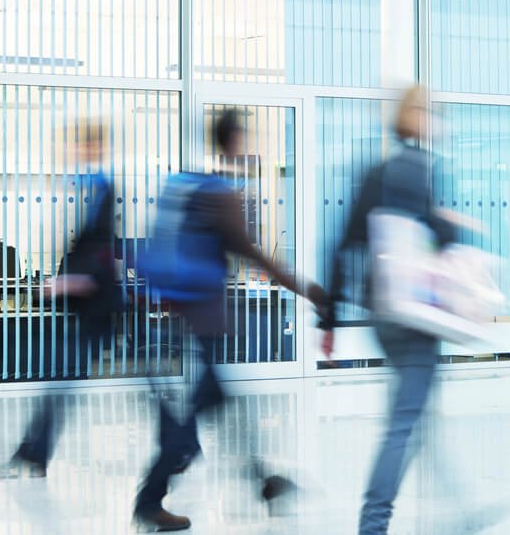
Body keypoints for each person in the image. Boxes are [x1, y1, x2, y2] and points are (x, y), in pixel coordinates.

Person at [132, 109, 332, 532]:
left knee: (220, 405)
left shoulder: (196, 189)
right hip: (203, 319)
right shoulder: (221, 195)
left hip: (187, 314)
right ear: (234, 141)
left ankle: (264, 481)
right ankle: (150, 499)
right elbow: (251, 252)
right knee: (192, 422)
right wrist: (309, 290)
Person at [326, 85, 456, 535]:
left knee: (415, 413)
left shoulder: (376, 170)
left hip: (382, 310)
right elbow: (429, 236)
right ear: (418, 118)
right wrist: (449, 226)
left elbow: (342, 244)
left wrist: (328, 320)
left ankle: (456, 509)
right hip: (413, 313)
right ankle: (373, 524)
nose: (440, 124)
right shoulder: (418, 168)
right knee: (405, 422)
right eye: (434, 115)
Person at [9, 118, 122, 476]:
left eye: (83, 145)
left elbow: (100, 252)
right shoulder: (90, 188)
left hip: (98, 301)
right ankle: (34, 450)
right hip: (94, 300)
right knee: (63, 376)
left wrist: (67, 283)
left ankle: (180, 441)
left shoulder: (101, 188)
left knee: (67, 375)